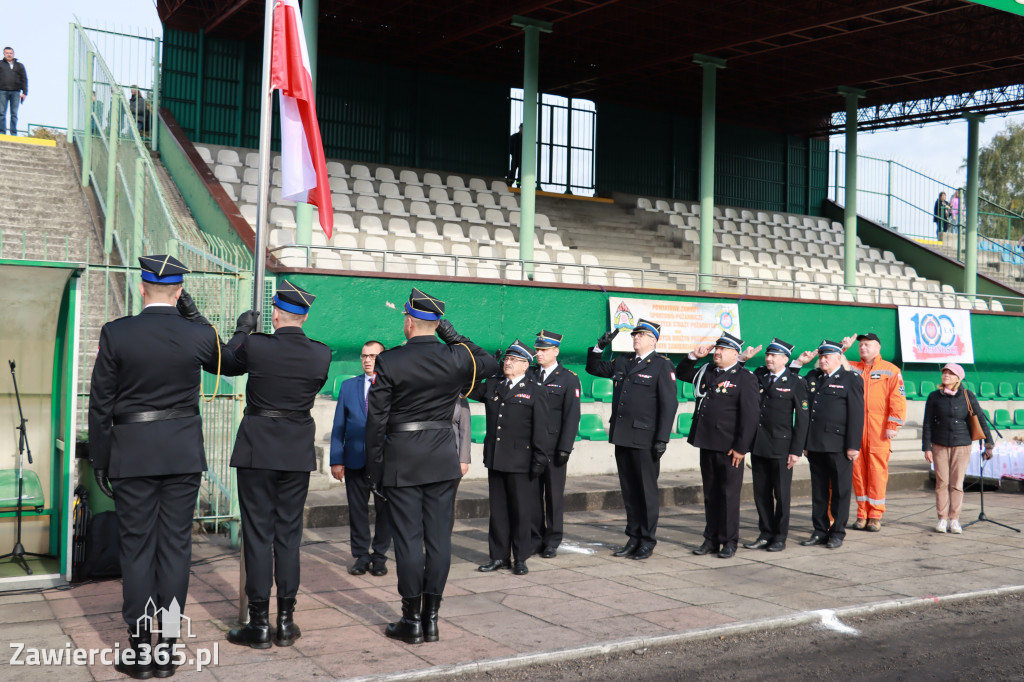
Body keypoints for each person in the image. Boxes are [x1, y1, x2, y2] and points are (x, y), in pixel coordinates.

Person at [88, 254, 227, 679]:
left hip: (132, 455)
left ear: (142, 288)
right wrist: (201, 321)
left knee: (137, 548)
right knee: (174, 549)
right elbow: (228, 361)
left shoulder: (117, 333)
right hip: (182, 455)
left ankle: (138, 647)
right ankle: (167, 645)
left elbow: (100, 404)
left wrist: (101, 457)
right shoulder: (197, 335)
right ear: (180, 292)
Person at [365, 288, 498, 645]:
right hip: (442, 458)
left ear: (408, 321)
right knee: (439, 540)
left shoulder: (390, 361)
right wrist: (453, 336)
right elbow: (489, 362)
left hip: (403, 459)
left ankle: (411, 620)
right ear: (436, 324)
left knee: (408, 541)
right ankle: (432, 619)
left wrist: (374, 470)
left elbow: (375, 421)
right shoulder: (455, 357)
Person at [203, 281, 330, 650]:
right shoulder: (321, 354)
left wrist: (242, 330)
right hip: (295, 450)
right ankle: (287, 622)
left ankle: (258, 624)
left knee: (258, 535)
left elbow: (223, 362)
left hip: (259, 447)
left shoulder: (256, 344)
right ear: (304, 317)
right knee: (288, 537)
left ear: (274, 314)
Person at [586, 319, 677, 561]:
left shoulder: (661, 365)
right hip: (623, 435)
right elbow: (594, 369)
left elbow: (669, 405)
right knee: (629, 491)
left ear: (653, 340)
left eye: (642, 334)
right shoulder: (623, 361)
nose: (636, 337)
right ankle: (633, 537)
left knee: (646, 492)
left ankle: (647, 541)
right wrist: (598, 347)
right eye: (635, 334)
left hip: (646, 439)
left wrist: (662, 439)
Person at [676, 331, 759, 559]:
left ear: (735, 353)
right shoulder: (707, 371)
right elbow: (681, 373)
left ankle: (729, 541)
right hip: (707, 442)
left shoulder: (745, 378)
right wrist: (694, 356)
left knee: (729, 495)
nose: (717, 352)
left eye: (723, 350)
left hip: (730, 447)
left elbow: (750, 416)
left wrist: (742, 448)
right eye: (717, 349)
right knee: (711, 494)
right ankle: (710, 539)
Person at [472, 340, 550, 576]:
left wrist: (539, 459)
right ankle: (498, 556)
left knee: (521, 511)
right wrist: (487, 367)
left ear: (526, 365)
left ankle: (520, 558)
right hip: (496, 458)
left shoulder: (536, 390)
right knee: (498, 511)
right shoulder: (493, 384)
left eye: (514, 360)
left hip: (521, 461)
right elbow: (467, 386)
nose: (508, 362)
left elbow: (541, 428)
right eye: (506, 359)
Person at [330, 341, 392, 578]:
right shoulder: (348, 387)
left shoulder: (392, 387)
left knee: (385, 511)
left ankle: (379, 557)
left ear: (382, 359)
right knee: (357, 510)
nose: (368, 360)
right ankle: (361, 556)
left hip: (385, 460)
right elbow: (339, 425)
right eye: (364, 356)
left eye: (373, 356)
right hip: (355, 458)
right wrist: (337, 458)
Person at [742, 338, 809, 553]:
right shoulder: (760, 375)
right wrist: (743, 359)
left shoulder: (796, 382)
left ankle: (780, 536)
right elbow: (739, 376)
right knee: (761, 493)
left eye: (774, 356)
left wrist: (796, 450)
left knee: (781, 494)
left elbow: (802, 419)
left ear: (785, 359)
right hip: (759, 445)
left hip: (782, 447)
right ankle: (765, 533)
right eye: (768, 355)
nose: (769, 359)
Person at [797, 340, 864, 550]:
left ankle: (837, 532)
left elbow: (856, 414)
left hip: (839, 444)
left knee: (841, 491)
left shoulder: (850, 379)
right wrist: (799, 363)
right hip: (815, 443)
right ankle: (819, 530)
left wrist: (853, 445)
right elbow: (793, 384)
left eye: (827, 357)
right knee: (819, 491)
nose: (823, 360)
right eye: (821, 357)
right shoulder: (813, 377)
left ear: (838, 358)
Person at [527, 330, 581, 559]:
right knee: (531, 495)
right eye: (537, 349)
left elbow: (572, 416)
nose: (538, 353)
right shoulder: (529, 374)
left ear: (555, 351)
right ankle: (534, 537)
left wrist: (564, 447)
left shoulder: (568, 378)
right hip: (529, 445)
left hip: (553, 445)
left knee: (554, 496)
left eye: (543, 350)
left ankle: (552, 539)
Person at [845, 332, 906, 532]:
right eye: (861, 345)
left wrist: (892, 425)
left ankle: (875, 515)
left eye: (867, 344)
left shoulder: (890, 370)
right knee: (858, 473)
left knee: (877, 472)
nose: (863, 348)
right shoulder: (852, 367)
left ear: (878, 347)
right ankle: (862, 513)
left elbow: (897, 399)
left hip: (878, 430)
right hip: (855, 429)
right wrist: (843, 347)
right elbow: (832, 363)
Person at [922, 363, 994, 534]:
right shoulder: (934, 397)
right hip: (940, 444)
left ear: (958, 378)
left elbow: (980, 420)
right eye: (944, 373)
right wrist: (927, 447)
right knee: (942, 482)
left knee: (956, 483)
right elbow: (927, 423)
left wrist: (989, 444)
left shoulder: (968, 395)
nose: (946, 376)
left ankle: (954, 519)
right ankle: (942, 518)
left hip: (962, 444)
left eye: (950, 373)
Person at [451, 396, 472, 531]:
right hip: (429, 456)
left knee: (448, 501)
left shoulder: (460, 397)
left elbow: (465, 429)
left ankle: (444, 536)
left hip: (453, 456)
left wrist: (463, 459)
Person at [0, 47, 28, 136]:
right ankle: (2, 132)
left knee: (14, 114)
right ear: (4, 54)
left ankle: (13, 133)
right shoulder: (0, 64)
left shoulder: (19, 66)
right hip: (2, 91)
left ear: (13, 54)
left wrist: (24, 92)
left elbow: (24, 79)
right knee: (1, 113)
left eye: (10, 53)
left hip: (15, 92)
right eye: (7, 53)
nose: (9, 54)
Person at [507, 123, 522, 187]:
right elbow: (509, 147)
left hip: (522, 158)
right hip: (515, 157)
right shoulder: (514, 137)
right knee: (513, 171)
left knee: (521, 172)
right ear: (520, 128)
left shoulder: (526, 138)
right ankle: (510, 183)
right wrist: (512, 153)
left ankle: (518, 184)